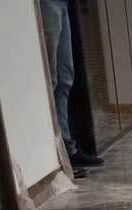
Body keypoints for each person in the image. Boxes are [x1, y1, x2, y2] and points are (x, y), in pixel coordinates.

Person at [40, 0, 103, 177]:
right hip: (47, 3)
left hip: (63, 4)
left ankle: (67, 151)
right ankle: (51, 158)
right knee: (49, 80)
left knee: (64, 79)